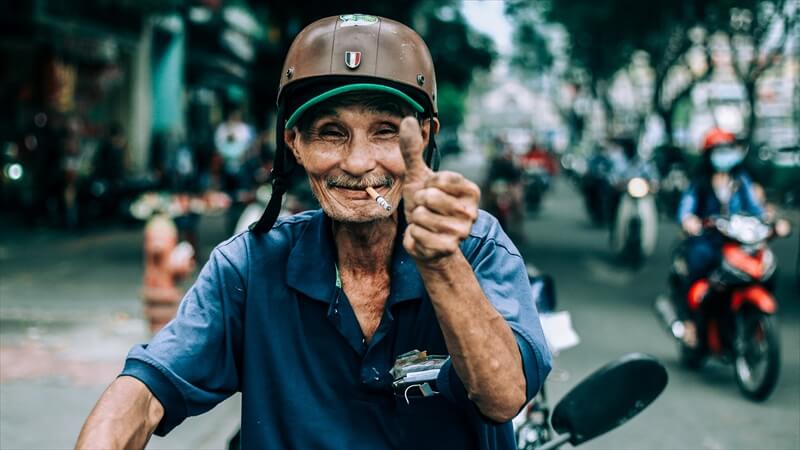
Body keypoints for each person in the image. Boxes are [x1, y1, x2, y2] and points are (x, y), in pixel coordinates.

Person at [75, 14, 551, 450]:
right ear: (295, 144)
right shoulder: (251, 266)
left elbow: (503, 396)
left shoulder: (476, 247)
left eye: (385, 131)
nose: (359, 163)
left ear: (423, 137)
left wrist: (441, 262)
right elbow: (147, 390)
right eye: (330, 132)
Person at [674, 128, 765, 346]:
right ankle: (690, 323)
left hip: (736, 242)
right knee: (697, 267)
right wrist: (689, 220)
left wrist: (768, 220)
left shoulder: (741, 180)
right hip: (707, 241)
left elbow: (755, 208)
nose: (724, 155)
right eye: (718, 150)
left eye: (727, 149)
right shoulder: (700, 182)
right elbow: (687, 207)